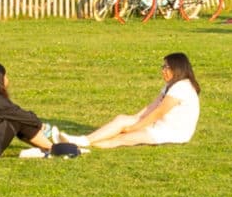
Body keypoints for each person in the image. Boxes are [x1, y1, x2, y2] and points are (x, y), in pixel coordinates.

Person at [70, 53, 202, 150]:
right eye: (163, 67)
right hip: (159, 125)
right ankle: (83, 141)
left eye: (166, 67)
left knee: (120, 139)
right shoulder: (171, 85)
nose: (163, 70)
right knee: (121, 119)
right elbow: (152, 106)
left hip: (171, 132)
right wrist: (135, 118)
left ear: (177, 68)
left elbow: (159, 112)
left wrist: (135, 127)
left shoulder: (182, 87)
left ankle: (76, 145)